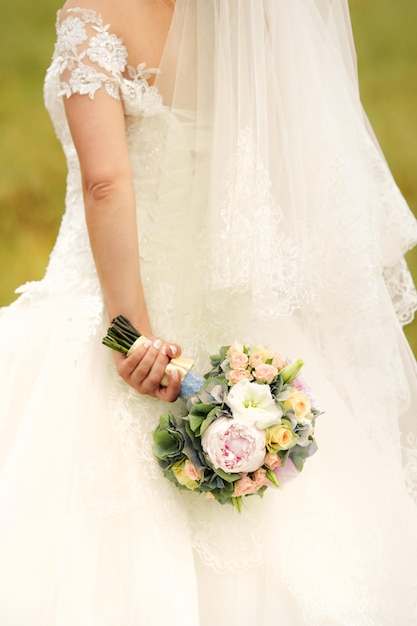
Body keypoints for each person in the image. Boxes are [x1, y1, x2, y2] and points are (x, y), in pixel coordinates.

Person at [1, 0, 417, 624]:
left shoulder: (97, 14)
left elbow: (106, 184)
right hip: (238, 317)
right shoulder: (256, 22)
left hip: (122, 307)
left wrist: (127, 331)